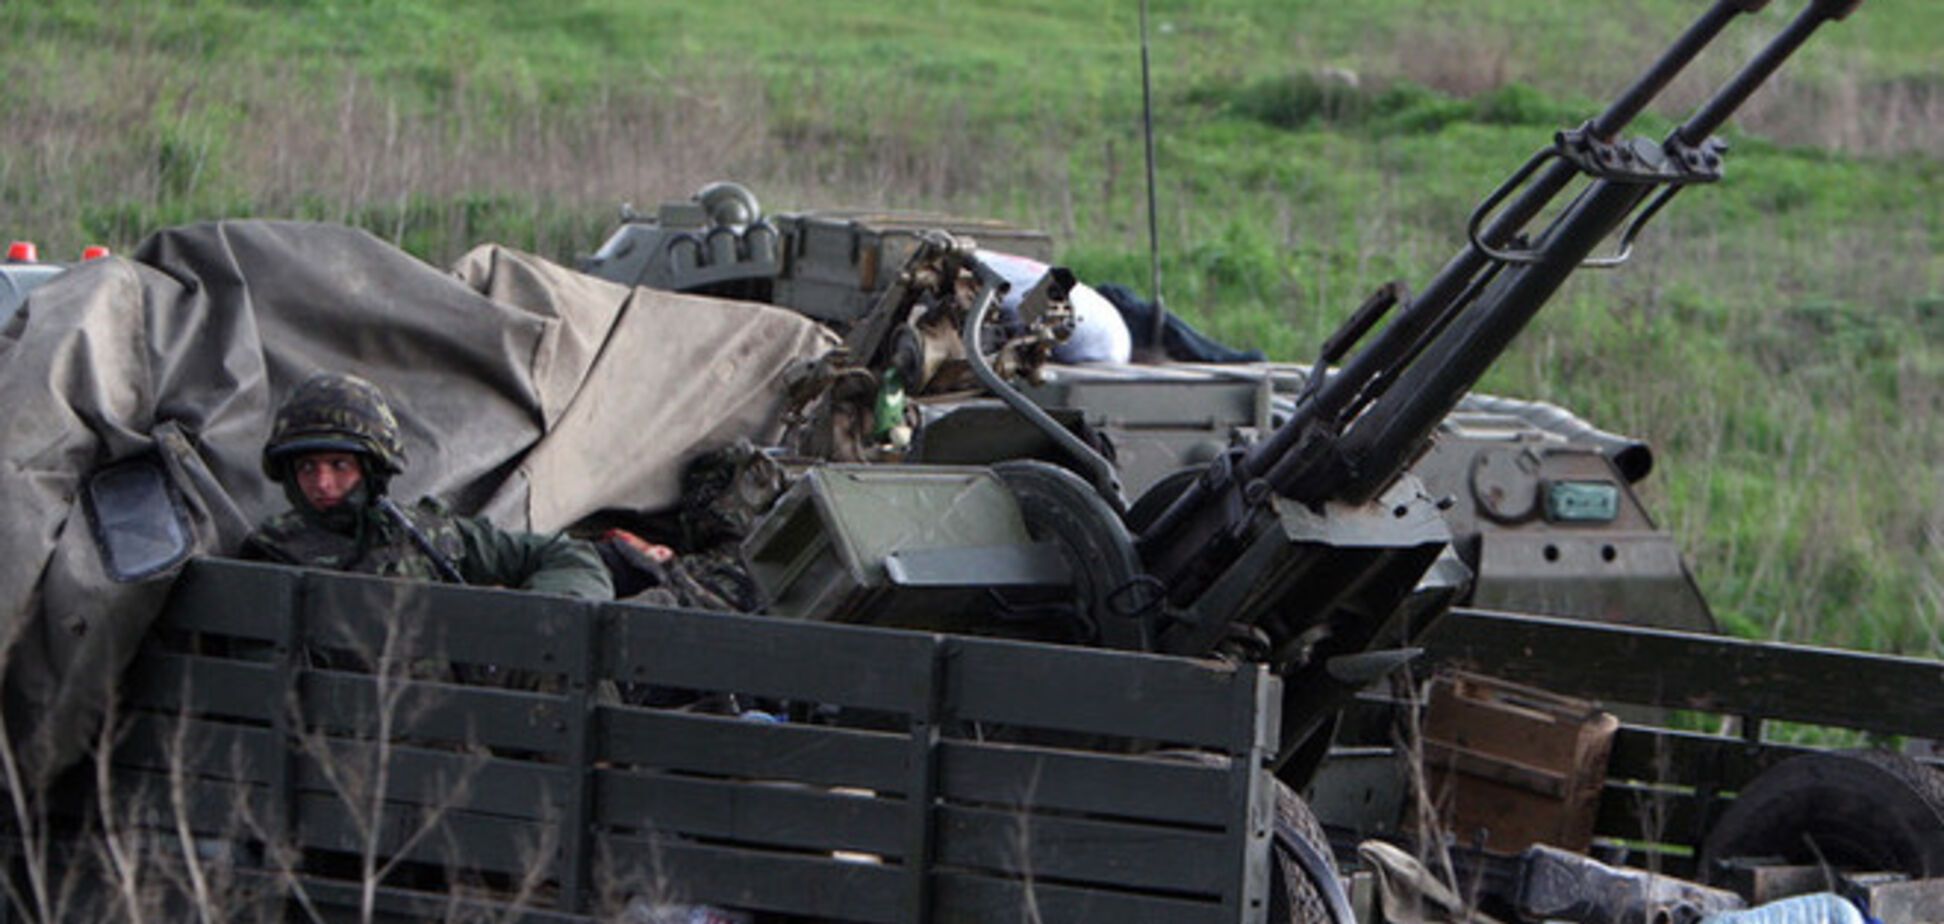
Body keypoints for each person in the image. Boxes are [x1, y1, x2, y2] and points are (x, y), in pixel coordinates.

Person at [240, 372, 614, 601]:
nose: (323, 483)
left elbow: (566, 557)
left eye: (340, 465)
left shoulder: (428, 534)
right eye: (308, 467)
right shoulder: (273, 553)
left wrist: (537, 617)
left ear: (373, 470)